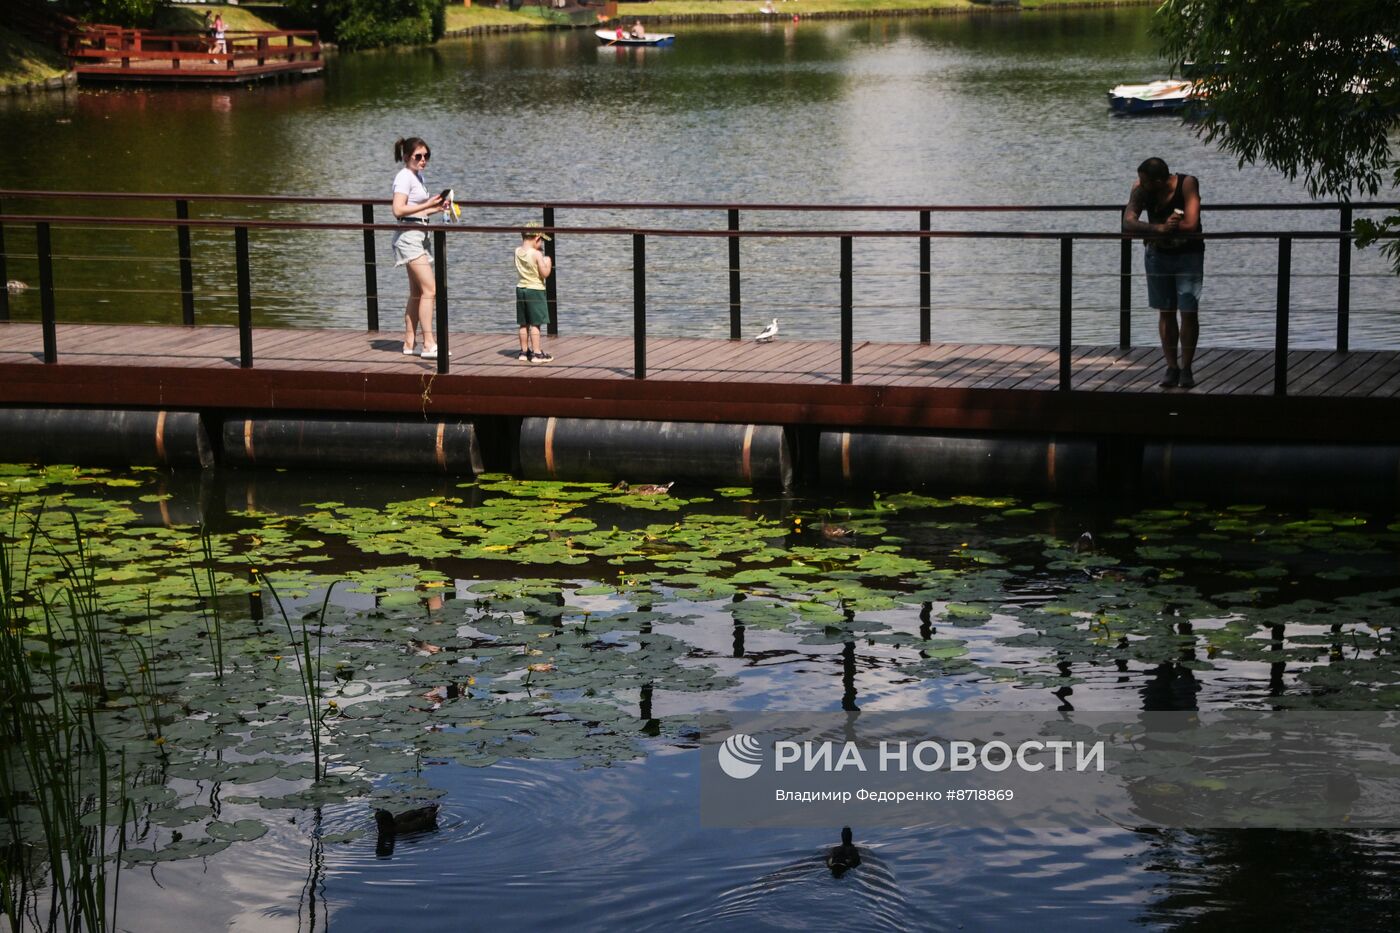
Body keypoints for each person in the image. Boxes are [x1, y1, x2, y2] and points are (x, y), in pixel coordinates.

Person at [1123, 157, 1204, 389]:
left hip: (1188, 256)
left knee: (1188, 312)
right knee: (1165, 312)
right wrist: (1158, 229)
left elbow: (1191, 223)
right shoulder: (1141, 190)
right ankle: (1172, 367)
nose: (1139, 184)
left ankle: (1187, 368)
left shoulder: (1187, 184)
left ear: (1159, 181)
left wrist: (1172, 226)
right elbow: (1128, 222)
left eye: (1144, 180)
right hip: (1157, 256)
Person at [391, 137, 446, 359]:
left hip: (419, 233)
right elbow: (398, 210)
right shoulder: (404, 176)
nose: (423, 160)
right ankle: (429, 344)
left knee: (417, 292)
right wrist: (428, 204)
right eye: (418, 157)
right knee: (430, 290)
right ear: (406, 158)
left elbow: (415, 211)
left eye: (426, 156)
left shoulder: (417, 176)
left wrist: (437, 208)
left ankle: (409, 342)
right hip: (409, 237)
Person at [515, 222, 554, 364]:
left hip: (521, 289)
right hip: (535, 291)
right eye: (541, 241)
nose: (542, 244)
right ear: (537, 238)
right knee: (536, 324)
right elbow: (544, 274)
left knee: (523, 324)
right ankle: (537, 353)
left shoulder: (517, 251)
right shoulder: (537, 254)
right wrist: (547, 262)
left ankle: (523, 352)